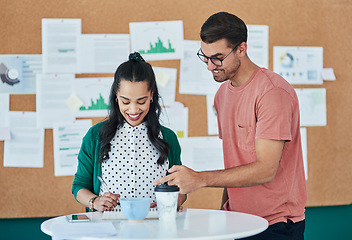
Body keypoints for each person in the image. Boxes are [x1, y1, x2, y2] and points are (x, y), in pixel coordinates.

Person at [154, 12, 307, 239]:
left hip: (275, 224)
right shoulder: (222, 95)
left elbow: (266, 169)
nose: (209, 66)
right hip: (237, 219)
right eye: (205, 57)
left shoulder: (272, 93)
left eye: (217, 58)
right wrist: (224, 209)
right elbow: (234, 161)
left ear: (241, 49)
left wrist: (200, 179)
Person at [72, 52, 186, 212]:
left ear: (151, 95)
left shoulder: (168, 137)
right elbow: (79, 187)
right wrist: (95, 202)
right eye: (125, 101)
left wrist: (174, 201)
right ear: (116, 96)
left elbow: (180, 187)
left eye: (141, 101)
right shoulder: (95, 135)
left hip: (155, 227)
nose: (133, 110)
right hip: (109, 229)